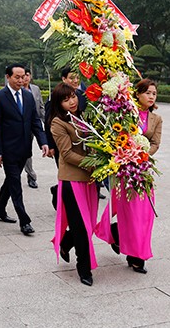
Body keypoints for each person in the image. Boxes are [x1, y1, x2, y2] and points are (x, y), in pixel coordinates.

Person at [95, 78, 162, 274]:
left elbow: (156, 143)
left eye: (154, 94)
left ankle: (133, 248)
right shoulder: (126, 112)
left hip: (142, 170)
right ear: (138, 94)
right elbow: (114, 136)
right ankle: (134, 256)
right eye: (148, 92)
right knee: (130, 214)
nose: (151, 96)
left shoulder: (156, 119)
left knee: (144, 215)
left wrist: (143, 153)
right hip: (124, 170)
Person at [0, 63, 49, 236]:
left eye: (23, 77)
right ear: (8, 77)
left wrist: (42, 142)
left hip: (24, 148)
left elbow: (35, 122)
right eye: (17, 77)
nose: (21, 80)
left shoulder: (28, 96)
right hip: (8, 150)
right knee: (16, 184)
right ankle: (25, 220)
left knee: (11, 180)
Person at [49, 83, 98, 286]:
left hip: (90, 179)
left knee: (88, 225)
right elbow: (67, 154)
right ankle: (83, 268)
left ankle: (66, 241)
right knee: (80, 227)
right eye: (66, 99)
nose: (72, 101)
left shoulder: (84, 117)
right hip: (72, 180)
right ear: (59, 103)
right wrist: (92, 163)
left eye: (73, 96)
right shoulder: (58, 123)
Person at [23, 68, 45, 189]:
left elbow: (41, 107)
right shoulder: (18, 90)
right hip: (22, 126)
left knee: (34, 148)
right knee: (26, 151)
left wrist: (46, 121)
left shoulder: (35, 89)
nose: (25, 77)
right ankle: (31, 175)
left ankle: (30, 175)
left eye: (27, 75)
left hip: (35, 124)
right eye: (23, 75)